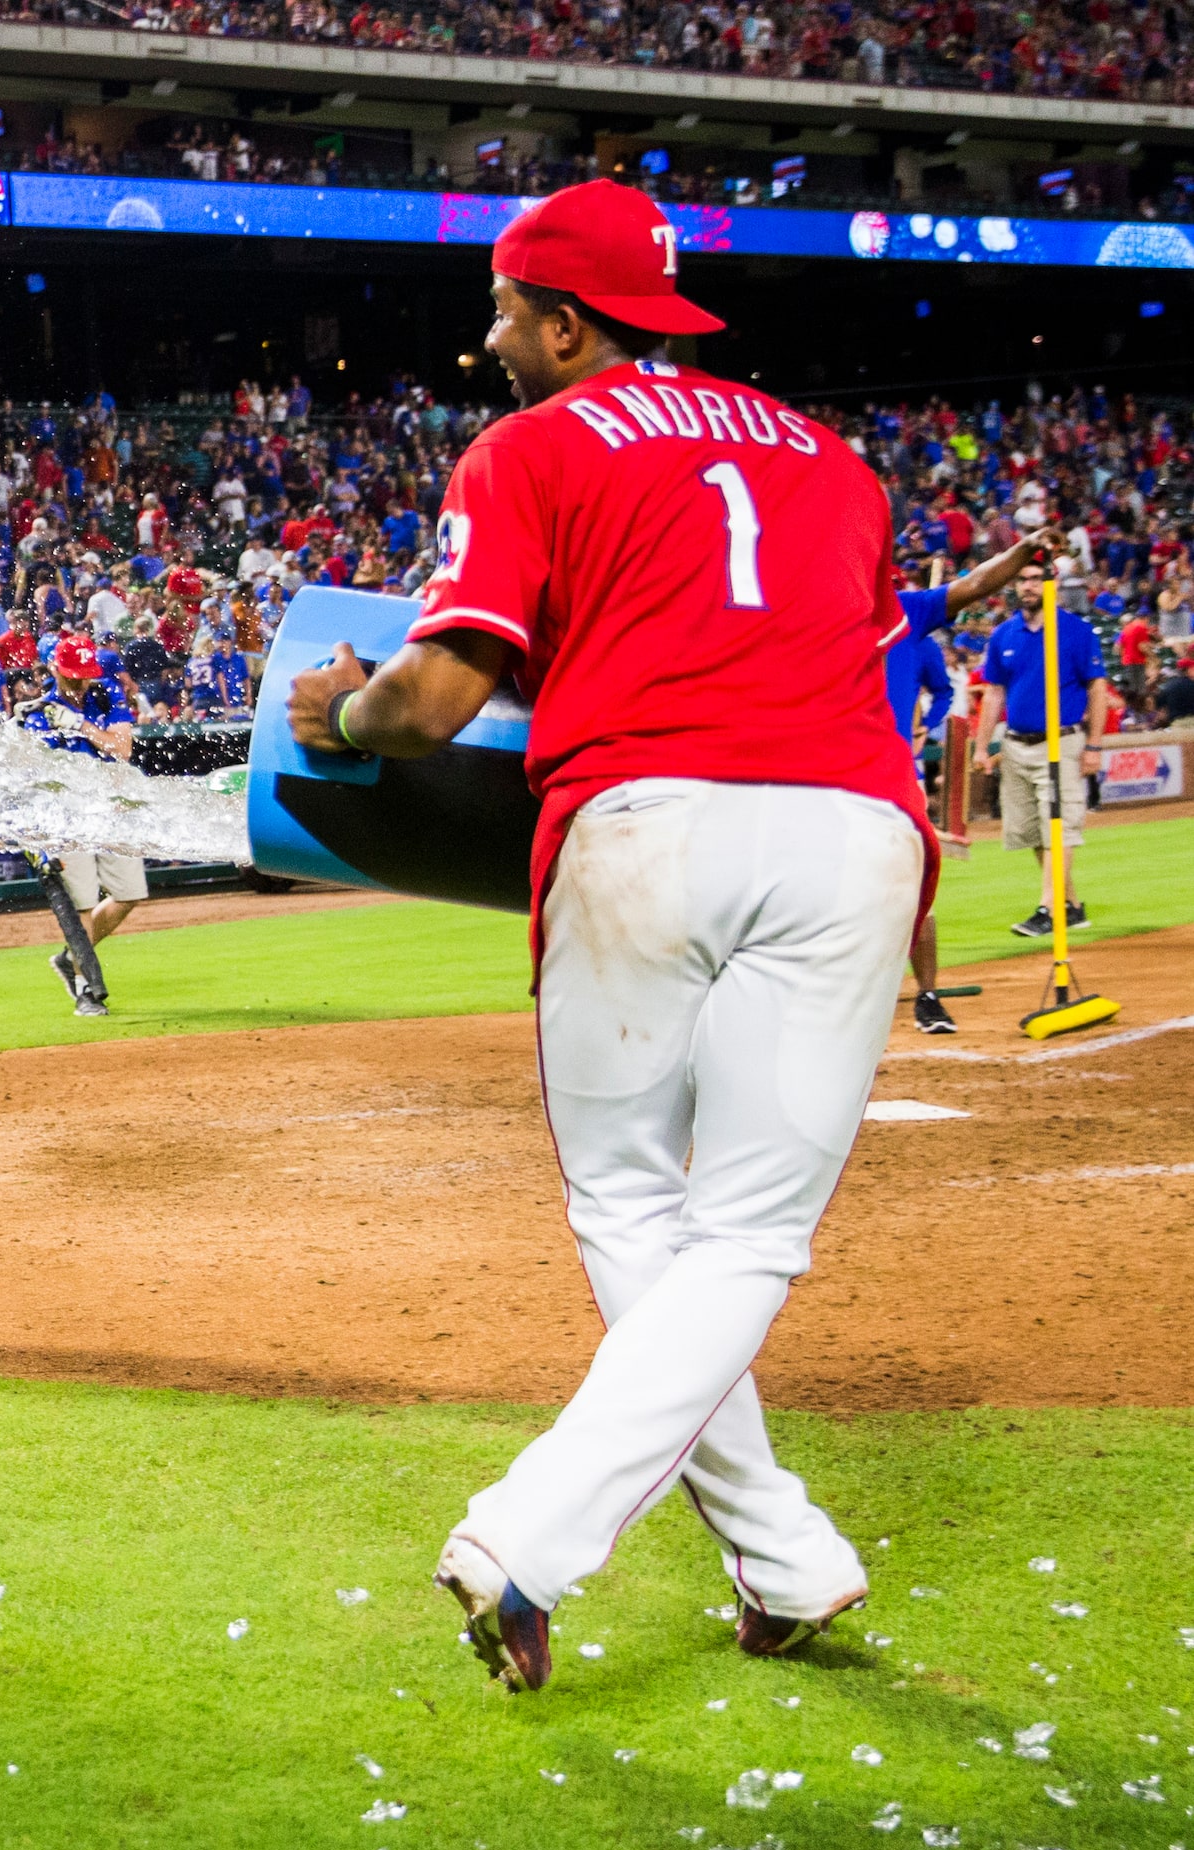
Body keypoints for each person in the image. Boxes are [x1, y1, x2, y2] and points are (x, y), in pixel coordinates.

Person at [287, 182, 930, 1691]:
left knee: (637, 1204)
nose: (492, 333)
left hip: (651, 823)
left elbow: (438, 701)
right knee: (754, 1236)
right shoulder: (836, 459)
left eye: (508, 308)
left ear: (571, 321)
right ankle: (784, 1555)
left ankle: (527, 1534)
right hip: (855, 832)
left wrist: (342, 709)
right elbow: (869, 676)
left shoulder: (529, 444)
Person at [887, 527, 1060, 1031]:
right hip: (824, 777)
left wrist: (1021, 552)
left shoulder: (904, 613)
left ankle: (927, 996)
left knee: (915, 891)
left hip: (893, 772)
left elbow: (977, 583)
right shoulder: (815, 617)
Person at [972, 561, 1115, 938]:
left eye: (1037, 579)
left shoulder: (1074, 631)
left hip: (1062, 741)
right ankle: (1071, 906)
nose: (1029, 586)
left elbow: (1097, 690)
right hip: (1017, 745)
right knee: (1034, 833)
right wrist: (981, 747)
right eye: (1022, 579)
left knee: (1060, 827)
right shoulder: (1004, 634)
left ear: (1051, 584)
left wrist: (1095, 745)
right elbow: (993, 695)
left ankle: (1047, 910)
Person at [16, 638, 143, 1015]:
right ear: (54, 670)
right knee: (84, 904)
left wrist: (83, 725)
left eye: (85, 677)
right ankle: (86, 991)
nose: (80, 685)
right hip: (68, 818)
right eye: (73, 678)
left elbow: (122, 750)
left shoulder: (105, 695)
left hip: (111, 811)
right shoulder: (38, 715)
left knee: (130, 893)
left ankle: (70, 959)